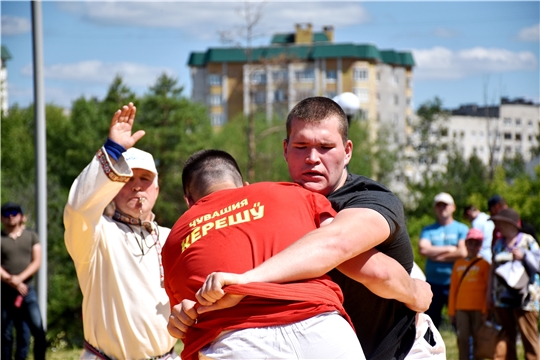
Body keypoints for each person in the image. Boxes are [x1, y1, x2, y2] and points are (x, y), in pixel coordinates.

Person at [169, 97, 437, 360]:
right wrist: (189, 311)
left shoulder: (370, 198)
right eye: (300, 146)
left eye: (325, 146)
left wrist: (415, 292)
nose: (312, 158)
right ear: (285, 150)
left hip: (401, 349)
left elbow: (338, 246)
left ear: (347, 151)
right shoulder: (281, 203)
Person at [164, 149, 363, 359]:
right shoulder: (294, 193)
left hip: (237, 343)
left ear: (189, 202)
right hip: (323, 329)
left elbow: (185, 320)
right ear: (245, 186)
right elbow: (344, 243)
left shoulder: (176, 237)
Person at [63, 103, 177, 359]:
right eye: (127, 179)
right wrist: (113, 150)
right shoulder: (97, 235)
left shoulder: (172, 237)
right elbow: (78, 209)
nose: (137, 187)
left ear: (156, 189)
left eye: (145, 179)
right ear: (113, 186)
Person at [488, 208, 540, 360]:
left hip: (526, 299)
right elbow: (493, 269)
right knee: (507, 338)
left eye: (501, 222)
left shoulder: (528, 240)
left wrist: (525, 255)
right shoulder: (498, 244)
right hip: (502, 299)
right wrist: (489, 293)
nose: (498, 226)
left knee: (529, 337)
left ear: (511, 224)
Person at [1, 202, 47, 360]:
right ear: (2, 218)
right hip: (5, 292)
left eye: (14, 212)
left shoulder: (31, 236)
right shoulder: (1, 238)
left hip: (27, 291)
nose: (10, 216)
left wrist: (20, 280)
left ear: (21, 216)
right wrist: (10, 280)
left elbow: (37, 261)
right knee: (5, 334)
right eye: (6, 213)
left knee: (36, 330)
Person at [419, 192, 468, 329]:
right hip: (433, 282)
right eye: (439, 205)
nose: (442, 208)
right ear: (435, 208)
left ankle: (463, 349)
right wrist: (450, 249)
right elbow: (423, 249)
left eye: (445, 205)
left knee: (459, 322)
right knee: (430, 323)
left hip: (455, 282)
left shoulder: (461, 228)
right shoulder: (428, 229)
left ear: (453, 207)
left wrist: (436, 255)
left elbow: (463, 252)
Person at [448, 228, 490, 360]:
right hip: (461, 308)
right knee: (463, 338)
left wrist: (485, 310)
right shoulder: (458, 264)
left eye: (477, 243)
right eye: (470, 243)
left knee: (479, 339)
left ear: (481, 246)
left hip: (478, 308)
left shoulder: (484, 264)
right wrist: (451, 311)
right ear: (465, 244)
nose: (473, 246)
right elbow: (453, 288)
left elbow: (487, 290)